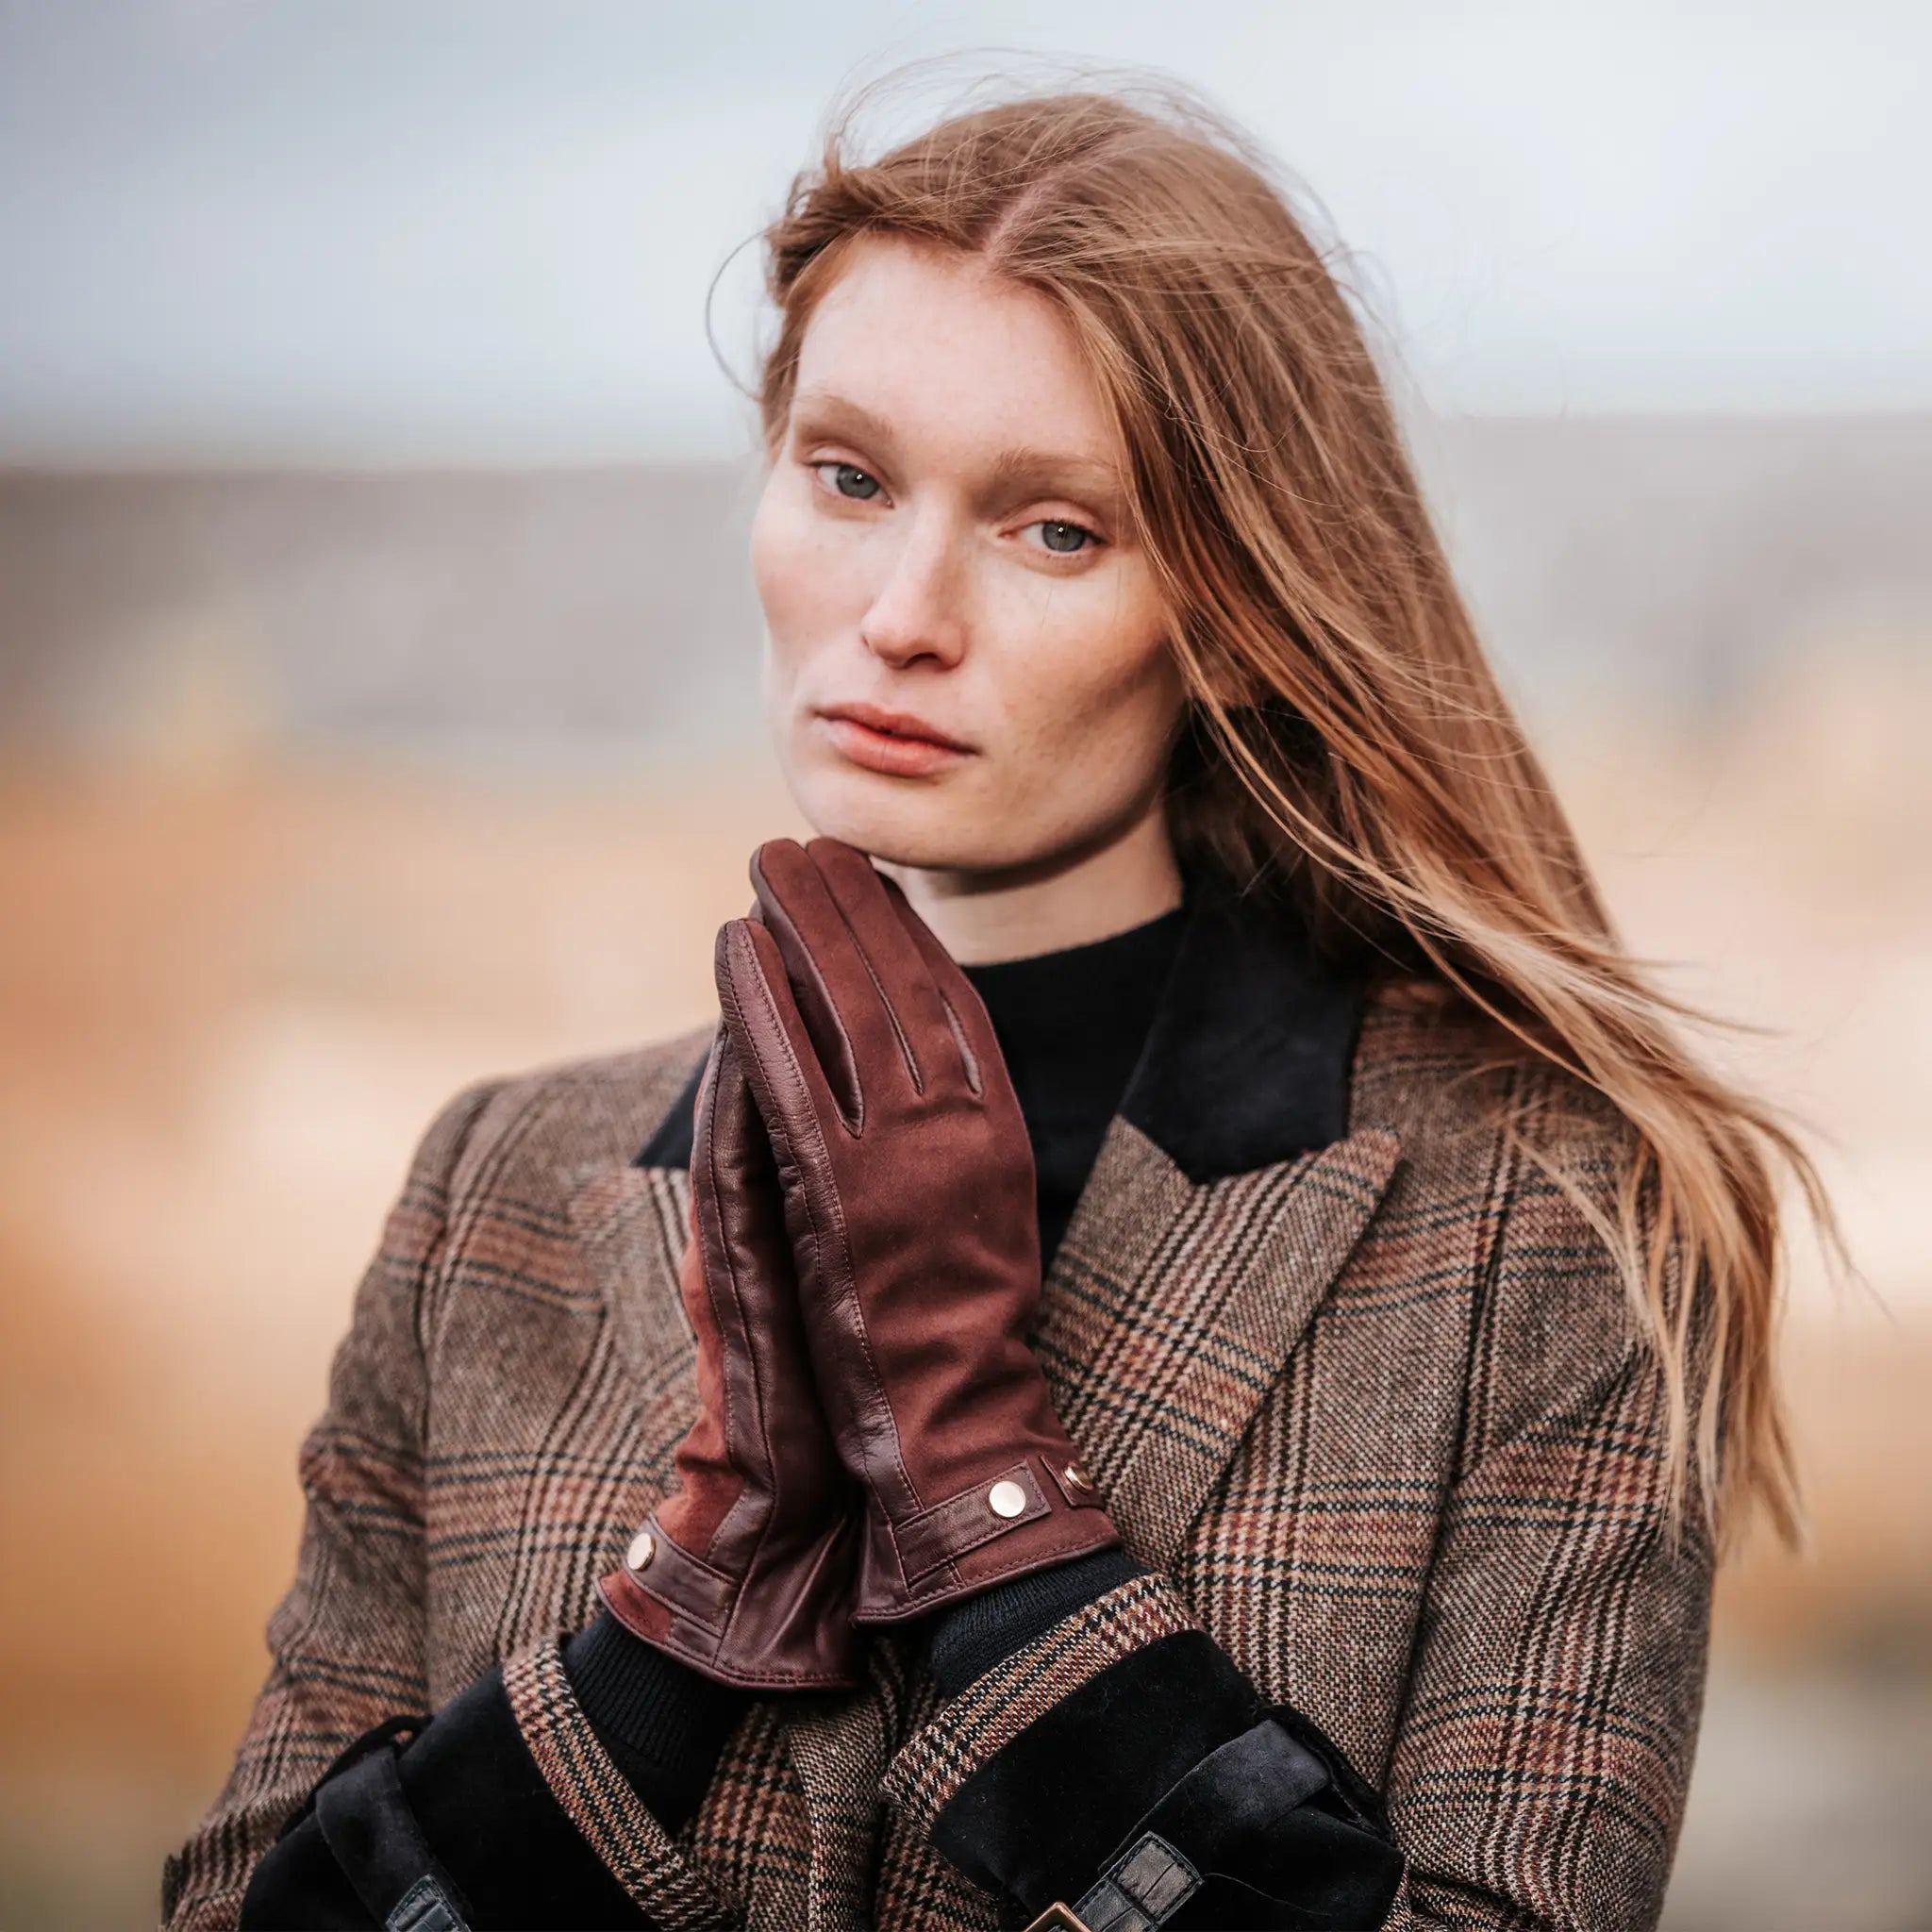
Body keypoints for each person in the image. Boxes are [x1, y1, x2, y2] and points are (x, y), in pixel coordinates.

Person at [163, 78, 1840, 1932]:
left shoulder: (1544, 1215)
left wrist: (987, 1502)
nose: (899, 609)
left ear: (1237, 605)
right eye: (848, 475)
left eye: (1053, 527)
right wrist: (685, 1598)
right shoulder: (495, 1184)